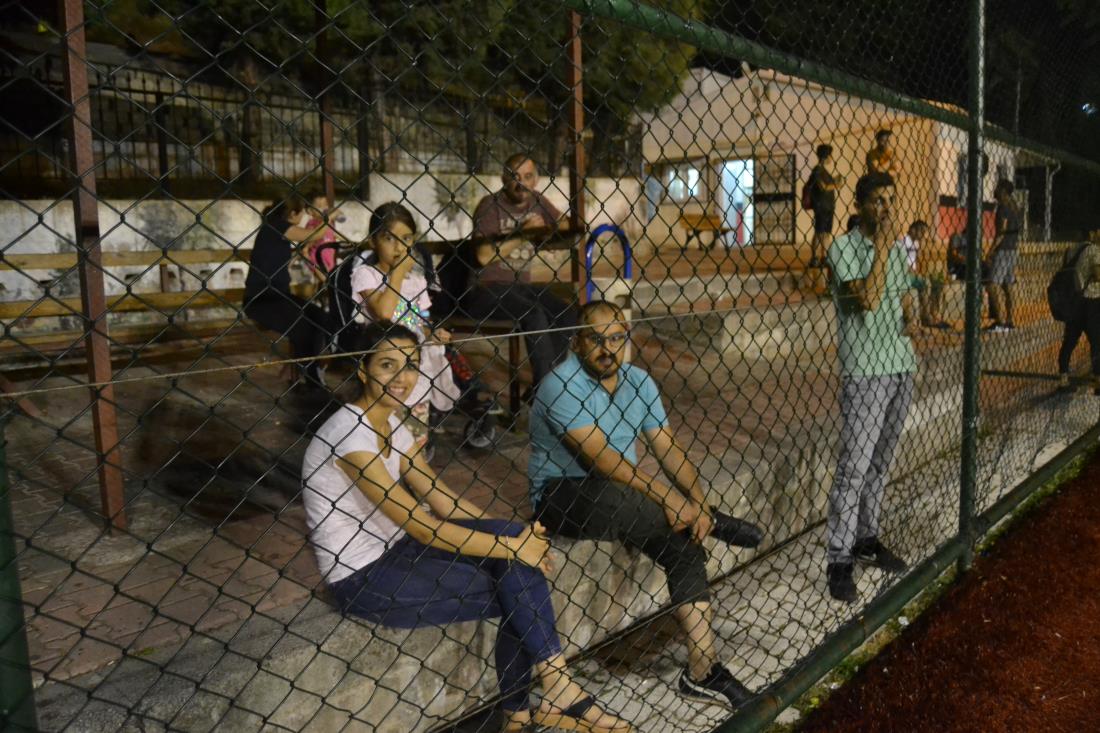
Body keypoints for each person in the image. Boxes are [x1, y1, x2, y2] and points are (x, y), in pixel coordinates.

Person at [301, 322, 631, 733]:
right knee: (516, 579)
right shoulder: (349, 436)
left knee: (516, 555)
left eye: (410, 365)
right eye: (388, 365)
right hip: (363, 578)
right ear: (362, 370)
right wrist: (511, 549)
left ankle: (530, 708)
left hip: (401, 549)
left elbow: (441, 499)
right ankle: (545, 697)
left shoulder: (391, 423)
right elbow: (424, 527)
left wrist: (513, 537)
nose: (403, 377)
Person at [528, 300, 765, 711]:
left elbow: (667, 447)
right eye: (596, 339)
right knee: (620, 495)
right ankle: (712, 521)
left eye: (616, 338)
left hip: (628, 497)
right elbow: (600, 460)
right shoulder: (559, 384)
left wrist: (696, 501)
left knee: (685, 543)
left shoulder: (638, 381)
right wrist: (669, 498)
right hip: (562, 496)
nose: (608, 349)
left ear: (627, 339)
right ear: (577, 342)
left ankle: (703, 670)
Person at [825, 172, 916, 603]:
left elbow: (901, 297)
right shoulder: (842, 249)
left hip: (901, 367)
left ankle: (866, 538)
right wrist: (882, 247)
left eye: (891, 201)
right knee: (854, 468)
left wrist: (911, 313)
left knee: (880, 463)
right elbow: (868, 299)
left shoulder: (895, 250)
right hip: (865, 372)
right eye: (878, 200)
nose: (886, 208)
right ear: (859, 205)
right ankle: (839, 559)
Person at [438, 154, 578, 397]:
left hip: (520, 287)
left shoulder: (538, 200)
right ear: (504, 179)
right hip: (485, 289)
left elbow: (566, 225)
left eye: (527, 177)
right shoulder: (490, 206)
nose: (521, 183)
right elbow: (483, 256)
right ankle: (547, 392)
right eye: (514, 177)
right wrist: (523, 233)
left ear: (536, 180)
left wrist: (547, 232)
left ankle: (545, 384)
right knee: (534, 314)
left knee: (567, 312)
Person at [351, 203, 462, 453]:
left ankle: (415, 457)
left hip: (414, 367)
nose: (399, 247)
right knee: (383, 439)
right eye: (389, 238)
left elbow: (420, 319)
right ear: (373, 241)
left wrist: (432, 333)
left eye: (407, 238)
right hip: (384, 365)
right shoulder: (366, 275)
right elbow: (384, 315)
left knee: (414, 438)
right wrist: (398, 274)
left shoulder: (417, 280)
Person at [243, 192, 330, 387]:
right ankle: (310, 378)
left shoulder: (275, 230)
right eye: (302, 213)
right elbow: (314, 234)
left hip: (280, 297)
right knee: (304, 327)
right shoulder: (276, 226)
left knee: (319, 318)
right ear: (292, 214)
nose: (304, 217)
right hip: (262, 301)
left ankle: (305, 371)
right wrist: (328, 218)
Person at [1057, 238, 1100, 392]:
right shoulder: (1094, 250)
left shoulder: (1071, 249)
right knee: (1096, 342)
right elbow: (1098, 275)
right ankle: (1098, 380)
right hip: (1092, 301)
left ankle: (1063, 379)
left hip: (1074, 301)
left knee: (1069, 341)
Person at [983, 179, 1023, 333]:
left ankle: (1000, 322)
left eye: (998, 188)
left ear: (1003, 191)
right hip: (1013, 250)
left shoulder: (1003, 208)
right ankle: (1009, 321)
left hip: (1004, 250)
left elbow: (1002, 231)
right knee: (1008, 286)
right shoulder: (1014, 208)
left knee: (991, 285)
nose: (995, 190)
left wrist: (991, 251)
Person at [901, 220, 950, 329]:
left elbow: (916, 262)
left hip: (912, 273)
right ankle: (926, 317)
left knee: (937, 282)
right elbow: (902, 262)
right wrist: (914, 272)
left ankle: (933, 314)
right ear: (913, 230)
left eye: (925, 232)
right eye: (922, 232)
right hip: (903, 274)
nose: (923, 235)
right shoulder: (904, 240)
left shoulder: (916, 243)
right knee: (926, 282)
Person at [807, 144, 844, 267]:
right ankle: (815, 257)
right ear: (825, 156)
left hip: (828, 206)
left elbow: (828, 184)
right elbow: (822, 187)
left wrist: (835, 180)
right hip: (821, 206)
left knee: (826, 232)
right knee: (819, 232)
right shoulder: (817, 170)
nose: (831, 158)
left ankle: (825, 256)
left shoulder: (824, 171)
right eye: (830, 156)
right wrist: (836, 185)